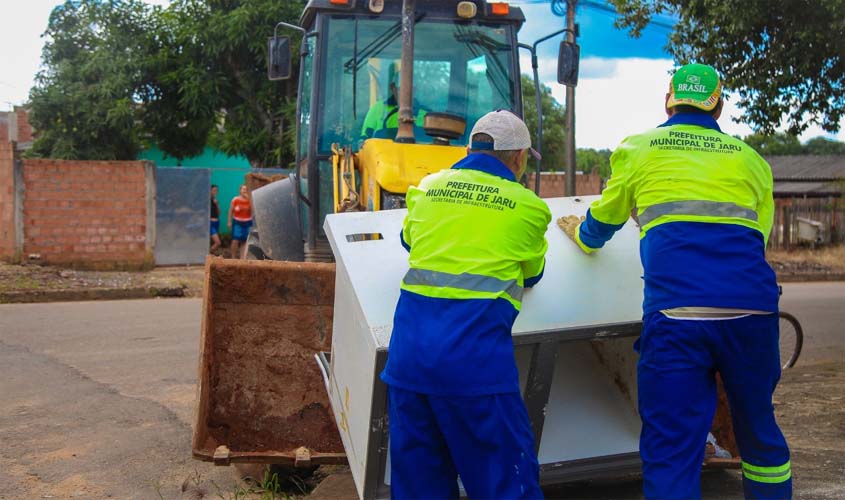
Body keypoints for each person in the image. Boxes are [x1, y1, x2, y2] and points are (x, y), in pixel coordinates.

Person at [558, 64, 791, 499]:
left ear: (668, 100)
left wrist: (583, 236)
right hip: (752, 312)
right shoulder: (751, 160)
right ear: (718, 105)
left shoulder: (639, 148)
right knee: (759, 432)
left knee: (672, 447)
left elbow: (603, 221)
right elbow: (757, 239)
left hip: (677, 315)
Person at [381, 110, 550, 499]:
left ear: (469, 147)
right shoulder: (528, 207)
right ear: (520, 158)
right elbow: (533, 273)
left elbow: (410, 241)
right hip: (476, 371)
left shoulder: (426, 188)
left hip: (409, 365)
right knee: (507, 484)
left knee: (419, 489)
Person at [359, 79, 426, 141]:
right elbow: (365, 140)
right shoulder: (378, 108)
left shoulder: (425, 114)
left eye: (410, 89)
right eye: (400, 89)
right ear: (393, 88)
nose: (405, 93)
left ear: (414, 90)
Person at [228, 184, 253, 260]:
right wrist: (229, 221)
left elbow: (253, 211)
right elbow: (230, 211)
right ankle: (233, 257)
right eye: (243, 189)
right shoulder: (235, 199)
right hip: (237, 222)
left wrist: (249, 199)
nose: (244, 190)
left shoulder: (250, 200)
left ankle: (243, 258)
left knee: (245, 241)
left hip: (248, 222)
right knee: (235, 240)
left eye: (246, 189)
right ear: (240, 190)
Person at [209, 184, 222, 254]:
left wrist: (217, 204)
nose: (215, 191)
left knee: (214, 242)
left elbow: (219, 213)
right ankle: (208, 255)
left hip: (216, 222)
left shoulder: (215, 200)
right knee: (218, 242)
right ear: (210, 191)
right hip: (210, 223)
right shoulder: (208, 200)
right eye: (214, 190)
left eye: (216, 190)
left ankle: (210, 257)